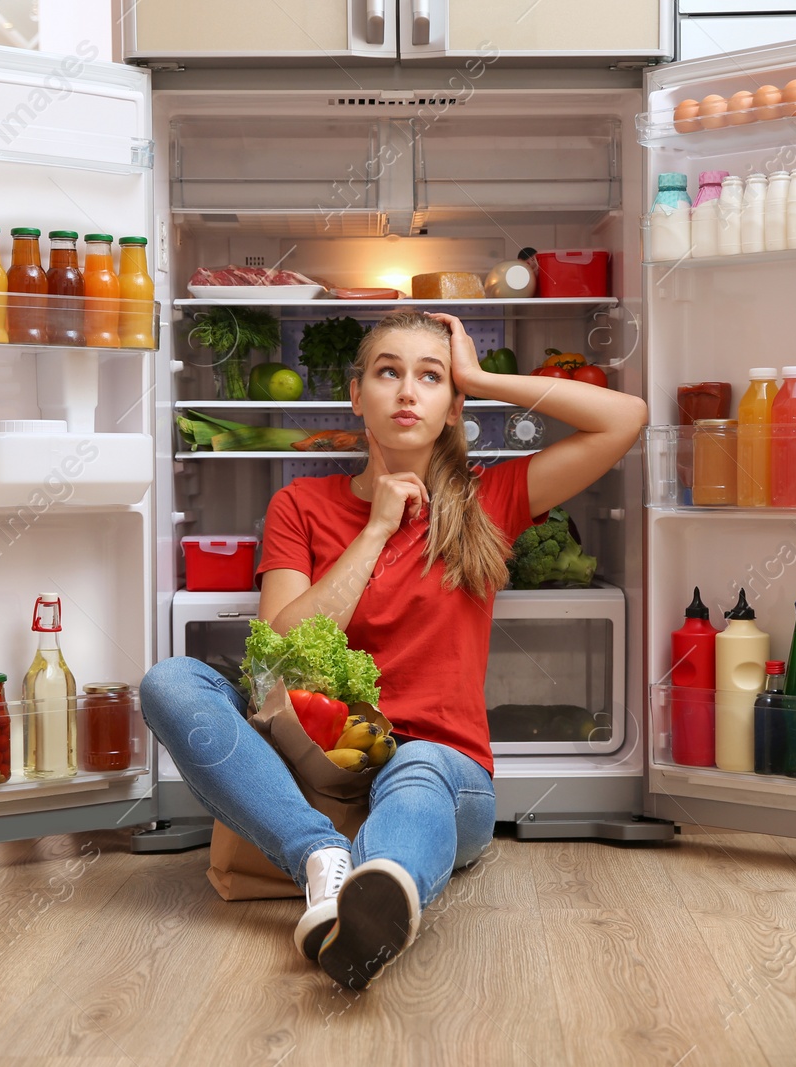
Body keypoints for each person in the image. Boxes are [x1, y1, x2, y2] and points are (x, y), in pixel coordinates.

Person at [140, 309, 646, 990]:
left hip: (440, 773)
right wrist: (376, 529)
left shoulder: (486, 501)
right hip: (316, 762)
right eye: (388, 372)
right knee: (172, 681)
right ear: (357, 395)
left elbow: (625, 417)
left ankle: (375, 898)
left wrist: (479, 378)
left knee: (420, 765)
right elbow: (278, 654)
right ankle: (323, 858)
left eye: (430, 377)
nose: (408, 391)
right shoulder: (301, 504)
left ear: (451, 404)